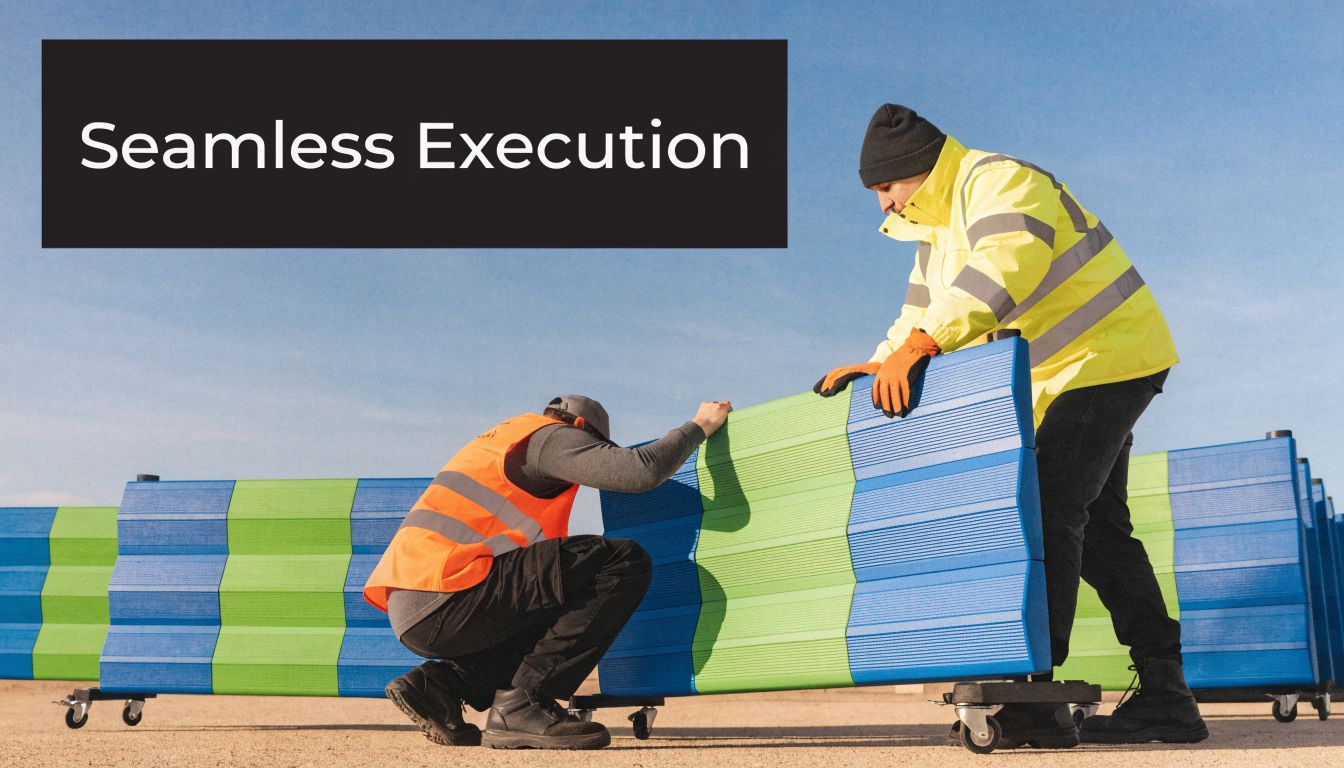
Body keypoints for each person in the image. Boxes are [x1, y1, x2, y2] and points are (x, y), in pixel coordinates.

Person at [814, 104, 1206, 746]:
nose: (881, 206)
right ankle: (1166, 694)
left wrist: (922, 343)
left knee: (1048, 507)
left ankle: (1031, 687)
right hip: (1066, 378)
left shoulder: (997, 181)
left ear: (916, 169)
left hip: (1105, 357)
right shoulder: (936, 237)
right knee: (1102, 531)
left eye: (885, 188)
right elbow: (925, 310)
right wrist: (882, 360)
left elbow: (1005, 265)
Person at [364, 395, 732, 750]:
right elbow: (640, 471)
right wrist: (699, 425)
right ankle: (525, 704)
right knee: (620, 562)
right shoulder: (550, 437)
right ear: (582, 429)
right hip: (448, 590)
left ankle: (440, 687)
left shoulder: (503, 443)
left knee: (560, 597)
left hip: (421, 606)